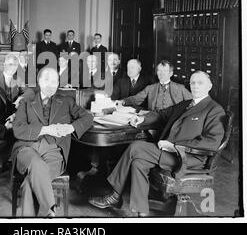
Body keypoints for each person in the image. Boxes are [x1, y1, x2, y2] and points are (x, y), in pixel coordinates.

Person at [88, 71, 226, 217]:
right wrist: (143, 120)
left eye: (200, 83)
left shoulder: (214, 109)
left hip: (187, 158)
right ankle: (142, 212)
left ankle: (115, 195)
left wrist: (174, 146)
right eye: (192, 83)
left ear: (209, 86)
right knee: (139, 162)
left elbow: (211, 142)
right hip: (169, 152)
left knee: (136, 147)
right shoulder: (185, 104)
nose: (195, 86)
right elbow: (161, 114)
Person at [12, 68, 93, 217]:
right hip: (27, 147)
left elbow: (88, 118)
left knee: (29, 183)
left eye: (55, 81)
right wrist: (45, 129)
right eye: (47, 80)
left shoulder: (67, 101)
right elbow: (18, 130)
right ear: (40, 81)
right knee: (37, 165)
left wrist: (71, 127)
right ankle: (48, 213)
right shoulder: (26, 101)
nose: (51, 84)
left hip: (53, 150)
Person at [117, 60, 192, 110]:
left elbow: (193, 102)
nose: (161, 73)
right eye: (159, 71)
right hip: (154, 118)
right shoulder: (150, 88)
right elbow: (136, 99)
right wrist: (123, 101)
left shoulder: (180, 88)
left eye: (164, 71)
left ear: (171, 73)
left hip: (172, 120)